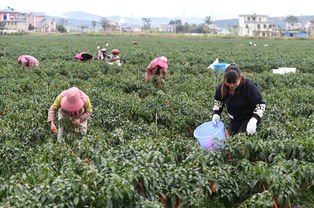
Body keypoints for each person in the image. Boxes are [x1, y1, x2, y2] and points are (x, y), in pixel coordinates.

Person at [211, 64, 265, 136]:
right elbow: (218, 102)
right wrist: (216, 113)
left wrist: (254, 119)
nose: (231, 85)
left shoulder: (249, 86)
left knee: (241, 137)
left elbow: (260, 104)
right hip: (234, 117)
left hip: (249, 116)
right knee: (233, 137)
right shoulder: (221, 88)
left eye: (234, 82)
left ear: (240, 78)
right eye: (228, 82)